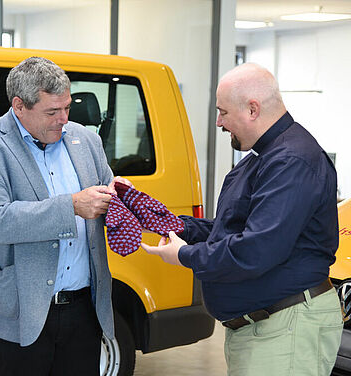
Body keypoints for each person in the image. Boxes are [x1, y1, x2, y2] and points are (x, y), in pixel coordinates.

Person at [142, 63, 343, 376]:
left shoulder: (291, 161)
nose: (220, 123)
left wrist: (183, 256)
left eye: (223, 112)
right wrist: (169, 223)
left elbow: (256, 249)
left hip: (285, 326)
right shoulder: (263, 158)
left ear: (253, 109)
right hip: (266, 328)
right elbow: (231, 229)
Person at [0, 56, 130, 376]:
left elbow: (106, 194)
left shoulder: (86, 140)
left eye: (67, 108)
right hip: (19, 311)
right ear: (19, 106)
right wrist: (72, 206)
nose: (63, 118)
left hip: (84, 309)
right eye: (52, 111)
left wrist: (119, 195)